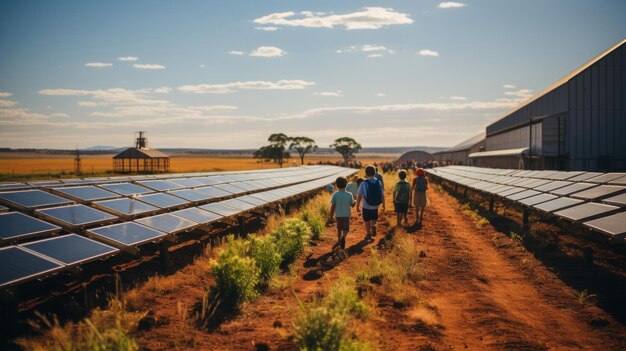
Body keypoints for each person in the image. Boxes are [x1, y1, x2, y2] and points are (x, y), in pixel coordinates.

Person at [356, 165, 385, 240]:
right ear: (375, 173)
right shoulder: (378, 182)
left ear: (365, 173)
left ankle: (368, 234)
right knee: (373, 219)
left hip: (365, 206)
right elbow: (382, 195)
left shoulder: (363, 183)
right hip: (375, 206)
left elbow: (359, 195)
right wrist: (383, 205)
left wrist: (357, 206)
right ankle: (374, 225)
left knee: (366, 220)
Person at [329, 176, 355, 250]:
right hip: (346, 215)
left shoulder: (335, 194)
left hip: (338, 215)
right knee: (346, 229)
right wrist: (355, 202)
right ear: (346, 184)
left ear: (336, 185)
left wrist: (331, 216)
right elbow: (352, 205)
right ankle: (343, 238)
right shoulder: (349, 194)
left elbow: (333, 206)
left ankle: (339, 240)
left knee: (339, 228)